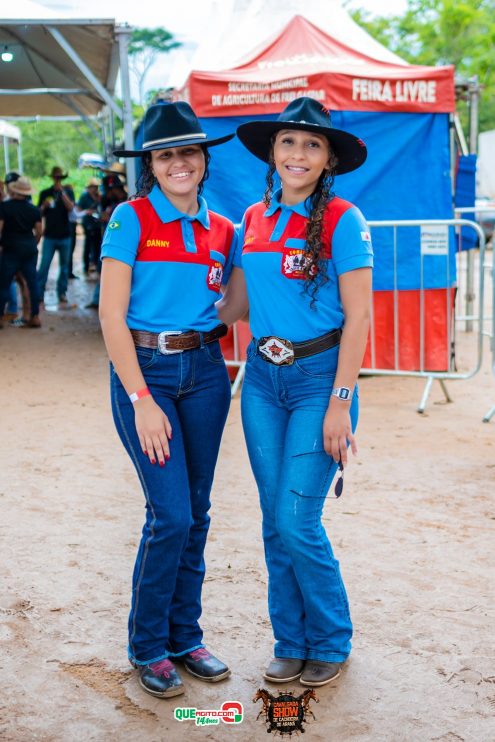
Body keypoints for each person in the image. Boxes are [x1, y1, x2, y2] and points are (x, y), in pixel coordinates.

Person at [217, 97, 373, 687]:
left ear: (329, 157)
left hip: (319, 383)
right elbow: (234, 305)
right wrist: (162, 309)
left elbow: (358, 319)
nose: (298, 154)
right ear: (273, 152)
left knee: (296, 518)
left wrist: (340, 401)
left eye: (312, 144)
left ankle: (331, 640)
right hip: (261, 380)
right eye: (289, 142)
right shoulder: (253, 219)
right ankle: (291, 639)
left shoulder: (343, 219)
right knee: (271, 518)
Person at [99, 102, 236, 699]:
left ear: (203, 160)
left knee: (198, 515)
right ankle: (148, 646)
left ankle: (186, 636)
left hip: (206, 370)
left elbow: (230, 307)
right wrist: (139, 398)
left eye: (187, 152)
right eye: (164, 155)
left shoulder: (225, 230)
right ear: (150, 165)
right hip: (146, 371)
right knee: (171, 514)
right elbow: (109, 314)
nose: (178, 163)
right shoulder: (129, 219)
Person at [0, 176, 42, 328]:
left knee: (4, 283)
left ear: (14, 191)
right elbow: (39, 231)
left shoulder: (4, 207)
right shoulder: (34, 210)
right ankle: (35, 316)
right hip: (29, 249)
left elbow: (0, 228)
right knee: (32, 283)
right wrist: (32, 243)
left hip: (11, 249)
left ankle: (0, 317)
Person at [37, 166, 75, 306]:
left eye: (60, 178)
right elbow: (38, 214)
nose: (58, 180)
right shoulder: (44, 193)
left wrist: (62, 193)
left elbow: (71, 208)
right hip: (50, 236)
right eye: (56, 177)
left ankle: (62, 292)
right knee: (44, 265)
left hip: (65, 235)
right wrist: (44, 206)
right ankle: (39, 293)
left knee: (64, 267)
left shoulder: (69, 192)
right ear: (53, 178)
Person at [76, 177, 102, 276]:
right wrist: (87, 212)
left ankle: (95, 264)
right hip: (87, 223)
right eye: (93, 187)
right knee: (88, 245)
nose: (95, 189)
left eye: (96, 187)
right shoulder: (84, 196)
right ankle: (86, 266)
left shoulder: (98, 196)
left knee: (96, 245)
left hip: (97, 223)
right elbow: (78, 209)